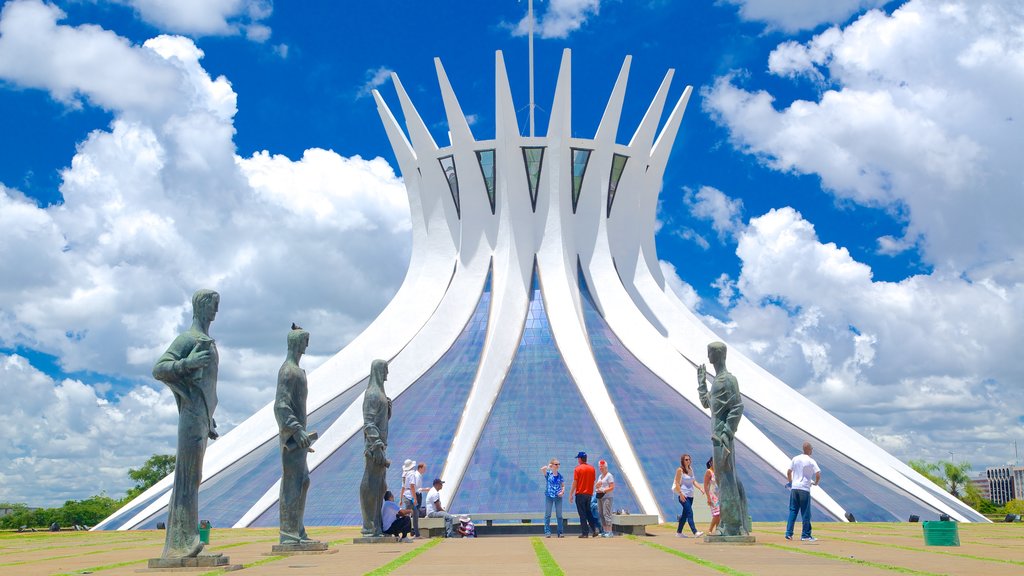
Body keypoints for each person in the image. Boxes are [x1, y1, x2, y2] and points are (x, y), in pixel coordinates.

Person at [153, 289, 221, 559]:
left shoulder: (207, 340)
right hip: (191, 416)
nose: (215, 311)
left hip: (201, 416)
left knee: (193, 478)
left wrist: (209, 416)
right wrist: (188, 363)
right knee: (186, 477)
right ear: (201, 307)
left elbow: (204, 386)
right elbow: (160, 368)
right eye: (213, 306)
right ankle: (180, 543)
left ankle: (185, 539)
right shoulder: (188, 339)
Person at [697, 341, 751, 536]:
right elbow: (707, 404)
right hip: (716, 438)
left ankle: (732, 525)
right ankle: (733, 523)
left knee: (727, 479)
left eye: (710, 353)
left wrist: (727, 432)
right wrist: (702, 384)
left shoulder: (728, 380)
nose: (708, 357)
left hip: (722, 438)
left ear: (718, 355)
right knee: (722, 479)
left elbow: (738, 407)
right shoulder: (716, 382)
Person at [275, 324, 319, 545]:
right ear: (296, 342)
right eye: (304, 340)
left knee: (303, 481)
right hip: (291, 439)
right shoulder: (288, 371)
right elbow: (281, 406)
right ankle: (289, 533)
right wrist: (297, 431)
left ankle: (297, 530)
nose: (307, 345)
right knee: (293, 483)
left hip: (298, 440)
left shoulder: (299, 371)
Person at [359, 359, 391, 537]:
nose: (387, 374)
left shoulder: (380, 394)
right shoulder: (372, 394)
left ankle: (376, 524)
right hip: (373, 448)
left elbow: (380, 420)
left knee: (381, 486)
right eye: (385, 370)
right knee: (371, 484)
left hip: (380, 446)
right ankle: (369, 525)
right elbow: (369, 423)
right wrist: (376, 446)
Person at [786, 442, 821, 542]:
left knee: (793, 511)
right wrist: (816, 483)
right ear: (809, 449)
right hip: (804, 488)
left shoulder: (795, 458)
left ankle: (789, 533)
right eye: (812, 449)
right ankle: (805, 535)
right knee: (805, 512)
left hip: (795, 488)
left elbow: (789, 472)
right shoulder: (811, 461)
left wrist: (790, 482)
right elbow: (818, 474)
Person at [673, 454, 705, 538]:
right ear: (682, 461)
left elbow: (694, 481)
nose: (688, 461)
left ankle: (679, 533)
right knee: (690, 513)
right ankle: (695, 532)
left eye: (689, 459)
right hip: (683, 495)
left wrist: (700, 488)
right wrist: (680, 493)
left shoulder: (690, 469)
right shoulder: (680, 470)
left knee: (685, 515)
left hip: (691, 495)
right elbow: (676, 482)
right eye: (686, 460)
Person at [569, 451, 599, 538]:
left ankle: (585, 533)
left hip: (580, 494)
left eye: (578, 458)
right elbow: (593, 481)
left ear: (580, 459)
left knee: (582, 514)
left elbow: (575, 482)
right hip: (589, 494)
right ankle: (594, 529)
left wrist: (571, 493)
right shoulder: (592, 469)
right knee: (589, 512)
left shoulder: (577, 469)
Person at [540, 459, 565, 538]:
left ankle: (560, 532)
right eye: (556, 464)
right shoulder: (548, 474)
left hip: (558, 497)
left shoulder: (560, 475)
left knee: (559, 515)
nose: (558, 466)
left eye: (558, 464)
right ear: (552, 465)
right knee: (547, 515)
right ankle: (547, 532)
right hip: (549, 497)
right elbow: (542, 469)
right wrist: (548, 467)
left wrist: (562, 492)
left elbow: (563, 486)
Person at [595, 460, 615, 537]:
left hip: (607, 497)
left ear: (606, 467)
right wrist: (597, 486)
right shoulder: (600, 476)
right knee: (601, 513)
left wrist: (604, 490)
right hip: (600, 496)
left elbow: (612, 487)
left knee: (606, 513)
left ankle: (610, 531)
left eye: (602, 467)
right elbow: (597, 485)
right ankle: (605, 530)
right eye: (600, 467)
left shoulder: (609, 476)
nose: (601, 468)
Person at [401, 459, 419, 538]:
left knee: (412, 514)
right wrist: (415, 498)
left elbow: (403, 488)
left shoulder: (404, 474)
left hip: (406, 496)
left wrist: (401, 498)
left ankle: (416, 533)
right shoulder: (412, 474)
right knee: (411, 515)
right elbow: (412, 486)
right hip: (409, 496)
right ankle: (407, 534)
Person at [703, 456, 721, 535]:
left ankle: (717, 530)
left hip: (719, 495)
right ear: (711, 462)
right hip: (712, 495)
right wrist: (708, 498)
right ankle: (710, 530)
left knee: (720, 514)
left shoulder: (717, 471)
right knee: (717, 513)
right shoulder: (709, 472)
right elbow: (706, 485)